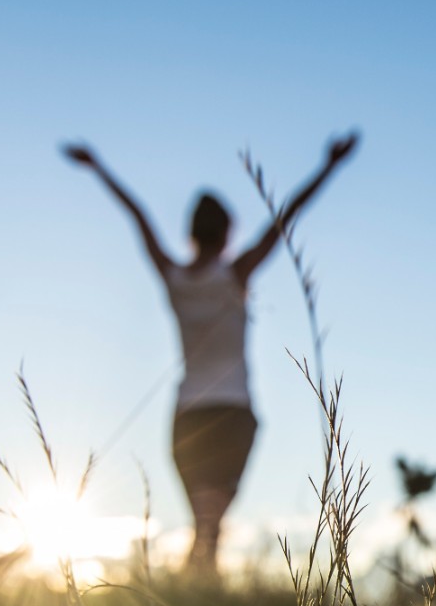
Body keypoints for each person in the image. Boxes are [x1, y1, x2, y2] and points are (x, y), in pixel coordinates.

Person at [63, 131, 360, 575]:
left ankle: (197, 584)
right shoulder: (236, 274)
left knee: (206, 523)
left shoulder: (174, 278)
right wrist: (329, 166)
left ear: (192, 233)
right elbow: (285, 216)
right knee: (210, 523)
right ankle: (200, 587)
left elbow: (137, 216)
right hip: (234, 413)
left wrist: (99, 167)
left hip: (188, 413)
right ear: (227, 233)